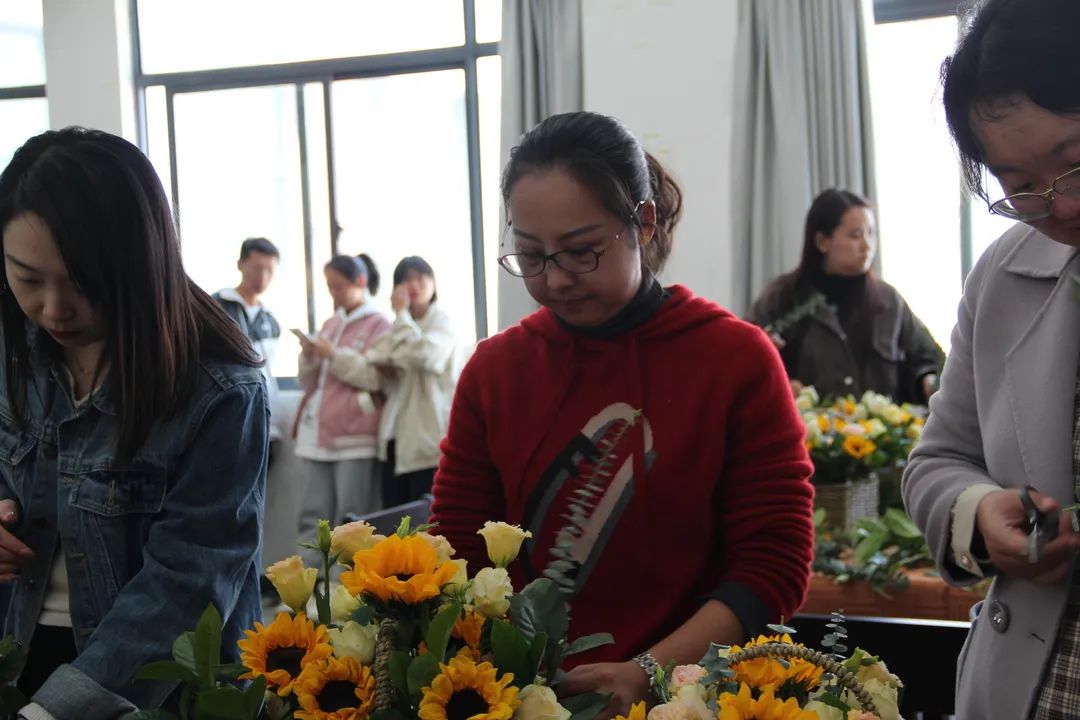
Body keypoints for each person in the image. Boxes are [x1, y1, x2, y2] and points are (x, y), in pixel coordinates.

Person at [429, 111, 815, 719]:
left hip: (692, 698)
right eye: (531, 255)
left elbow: (773, 564)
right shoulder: (496, 370)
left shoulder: (732, 359)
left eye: (581, 252)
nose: (556, 279)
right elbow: (457, 551)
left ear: (644, 221)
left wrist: (650, 673)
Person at [0, 128, 267, 718]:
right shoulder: (13, 350)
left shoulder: (219, 388)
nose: (52, 309)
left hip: (156, 686)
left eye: (82, 284)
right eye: (27, 278)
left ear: (143, 263)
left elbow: (190, 578)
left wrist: (55, 711)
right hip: (16, 656)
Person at [902, 0, 1080, 717]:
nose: (1060, 207)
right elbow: (938, 459)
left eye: (1073, 164)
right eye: (1020, 186)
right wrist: (978, 514)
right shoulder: (1007, 274)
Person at [747, 189, 944, 403]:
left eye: (871, 234)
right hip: (808, 422)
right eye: (856, 235)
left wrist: (928, 379)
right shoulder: (781, 298)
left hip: (882, 423)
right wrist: (780, 382)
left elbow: (929, 357)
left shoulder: (888, 301)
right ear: (822, 241)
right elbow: (744, 361)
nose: (867, 245)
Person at [293, 254, 389, 563]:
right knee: (313, 516)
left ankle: (345, 586)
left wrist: (333, 354)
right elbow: (307, 380)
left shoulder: (379, 323)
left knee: (352, 521)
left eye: (339, 286)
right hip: (319, 434)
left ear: (360, 281)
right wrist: (309, 355)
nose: (334, 293)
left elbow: (374, 377)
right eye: (330, 287)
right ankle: (307, 582)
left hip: (355, 433)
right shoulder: (331, 323)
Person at [355, 256, 458, 507]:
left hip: (428, 440)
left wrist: (401, 317)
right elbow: (373, 358)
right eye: (405, 279)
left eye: (420, 277)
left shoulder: (442, 322)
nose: (413, 285)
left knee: (426, 519)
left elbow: (426, 356)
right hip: (393, 439)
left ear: (433, 283)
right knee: (393, 521)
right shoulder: (396, 328)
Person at [213, 237, 283, 458]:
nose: (263, 276)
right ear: (240, 265)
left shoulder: (270, 320)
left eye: (269, 270)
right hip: (226, 412)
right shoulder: (217, 307)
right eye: (257, 268)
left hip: (264, 416)